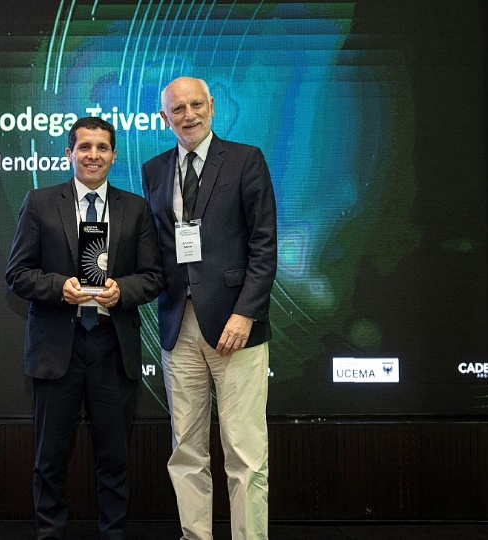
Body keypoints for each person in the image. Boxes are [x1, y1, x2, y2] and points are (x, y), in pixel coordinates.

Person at [6, 116, 164, 540]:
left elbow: (153, 276)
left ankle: (113, 533)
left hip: (113, 348)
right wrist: (61, 287)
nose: (93, 155)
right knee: (50, 458)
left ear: (114, 155)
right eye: (85, 147)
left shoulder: (136, 208)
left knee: (115, 457)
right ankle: (50, 534)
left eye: (102, 147)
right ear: (69, 153)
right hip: (57, 347)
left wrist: (121, 291)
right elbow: (17, 274)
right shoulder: (40, 202)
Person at [141, 76, 278, 539]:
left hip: (236, 327)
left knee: (244, 452)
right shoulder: (154, 170)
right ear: (164, 118)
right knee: (186, 450)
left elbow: (264, 245)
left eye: (196, 105)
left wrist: (246, 313)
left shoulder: (245, 159)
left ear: (212, 106)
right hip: (178, 325)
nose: (189, 116)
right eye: (178, 109)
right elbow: (158, 249)